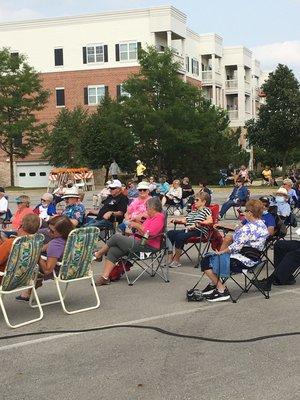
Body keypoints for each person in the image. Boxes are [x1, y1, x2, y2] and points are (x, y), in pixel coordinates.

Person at [200, 199, 269, 302]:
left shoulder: (248, 228)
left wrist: (220, 252)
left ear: (250, 213)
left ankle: (221, 290)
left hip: (243, 261)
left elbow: (235, 247)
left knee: (206, 260)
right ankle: (215, 284)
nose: (244, 213)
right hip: (255, 259)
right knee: (216, 258)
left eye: (245, 211)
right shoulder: (262, 224)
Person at [93, 197, 165, 286]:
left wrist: (137, 225)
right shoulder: (150, 217)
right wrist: (136, 224)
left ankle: (99, 254)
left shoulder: (159, 217)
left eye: (147, 208)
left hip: (148, 246)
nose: (146, 210)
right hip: (139, 242)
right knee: (114, 250)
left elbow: (150, 233)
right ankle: (105, 277)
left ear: (152, 208)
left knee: (116, 237)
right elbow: (144, 230)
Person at [16, 215, 74, 301]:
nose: (49, 232)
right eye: (49, 228)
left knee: (32, 263)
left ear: (62, 232)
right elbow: (46, 247)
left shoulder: (55, 244)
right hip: (75, 269)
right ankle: (29, 291)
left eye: (52, 231)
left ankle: (32, 287)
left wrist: (37, 255)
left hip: (61, 271)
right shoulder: (73, 237)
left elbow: (47, 270)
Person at [167, 192, 212, 268]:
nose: (194, 201)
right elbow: (185, 220)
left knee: (180, 237)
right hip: (188, 230)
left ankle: (176, 260)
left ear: (204, 202)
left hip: (198, 231)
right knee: (169, 233)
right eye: (194, 200)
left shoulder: (206, 210)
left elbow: (210, 221)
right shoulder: (193, 211)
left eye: (197, 200)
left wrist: (198, 224)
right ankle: (170, 257)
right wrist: (176, 220)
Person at [0, 214, 40, 285]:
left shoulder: (12, 243)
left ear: (21, 225)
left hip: (4, 279)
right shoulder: (35, 243)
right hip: (23, 279)